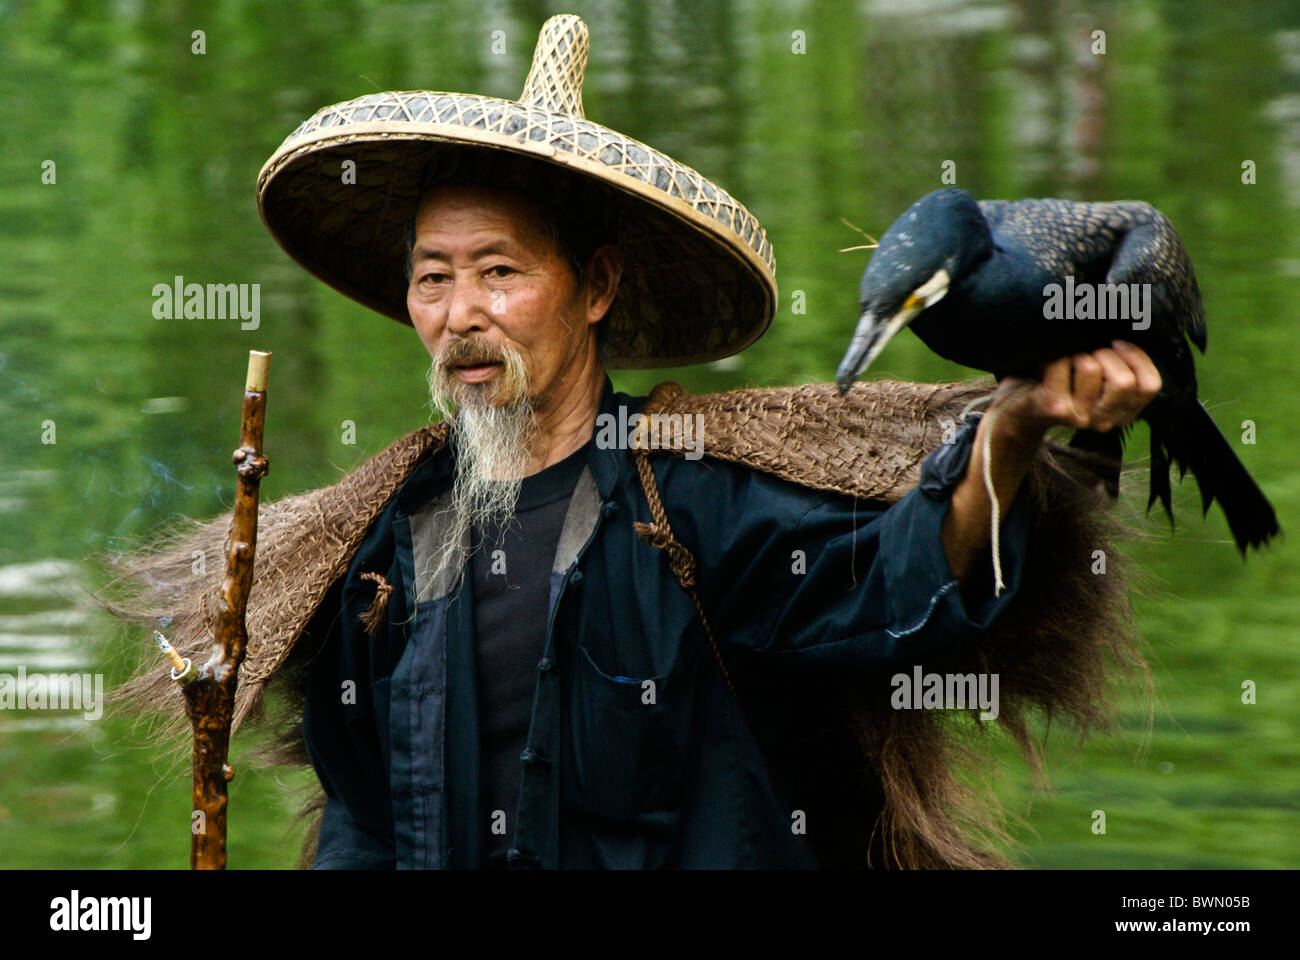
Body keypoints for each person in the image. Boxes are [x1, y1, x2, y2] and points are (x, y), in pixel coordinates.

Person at [109, 15, 1157, 869]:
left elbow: (900, 589)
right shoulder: (383, 547)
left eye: (500, 272)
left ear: (597, 285)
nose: (460, 313)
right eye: (433, 277)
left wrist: (1014, 427)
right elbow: (365, 824)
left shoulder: (695, 506)